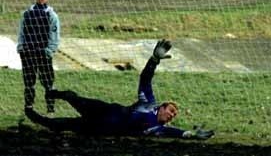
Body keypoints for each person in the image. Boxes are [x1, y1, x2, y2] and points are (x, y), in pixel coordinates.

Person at [25, 39, 214, 140]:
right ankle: (53, 93)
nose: (172, 115)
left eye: (174, 115)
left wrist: (191, 134)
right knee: (73, 98)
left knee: (63, 125)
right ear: (162, 107)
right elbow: (145, 78)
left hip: (103, 128)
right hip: (107, 110)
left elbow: (176, 132)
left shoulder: (157, 128)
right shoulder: (148, 102)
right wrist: (154, 60)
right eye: (171, 110)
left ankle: (32, 116)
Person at [17, 0, 60, 114]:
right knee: (29, 82)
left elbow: (55, 35)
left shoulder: (52, 15)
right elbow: (21, 32)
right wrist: (21, 47)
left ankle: (50, 109)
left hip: (43, 53)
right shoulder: (27, 14)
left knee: (48, 82)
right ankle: (29, 108)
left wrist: (50, 50)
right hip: (28, 52)